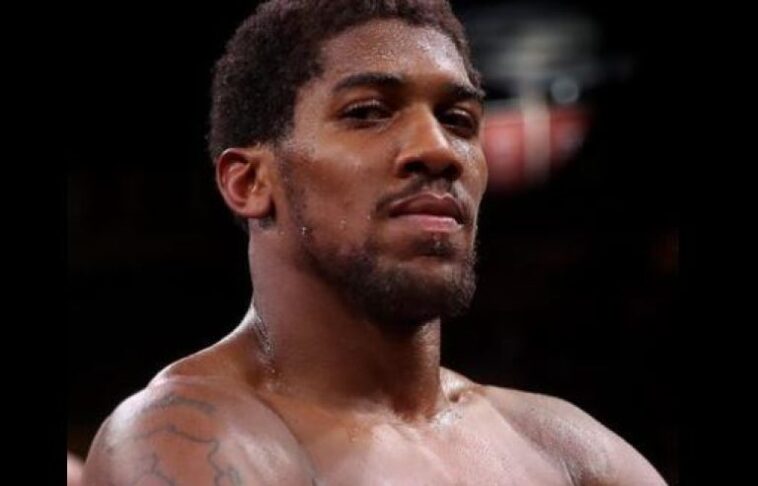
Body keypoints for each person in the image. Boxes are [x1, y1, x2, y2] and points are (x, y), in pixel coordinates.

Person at [82, 1, 667, 484]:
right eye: (368, 113)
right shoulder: (187, 434)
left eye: (459, 119)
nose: (438, 149)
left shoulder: (561, 446)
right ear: (250, 182)